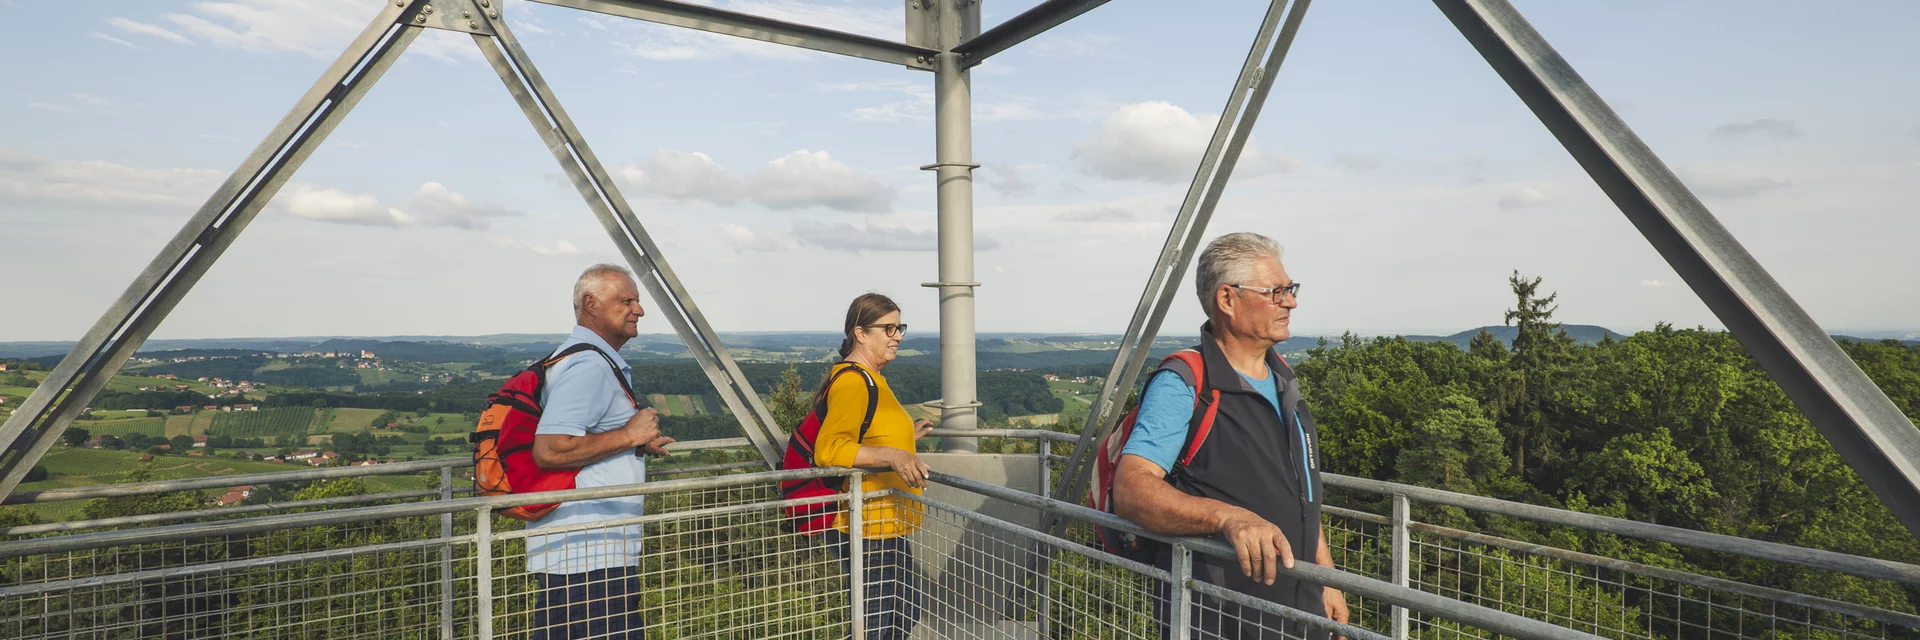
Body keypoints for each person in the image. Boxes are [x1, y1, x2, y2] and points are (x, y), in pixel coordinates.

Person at [1112, 233, 1350, 639]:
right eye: (1275, 291)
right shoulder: (1186, 383)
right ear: (1227, 299)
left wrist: (1325, 580)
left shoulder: (1283, 379)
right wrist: (1229, 518)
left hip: (1299, 604)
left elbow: (1301, 492)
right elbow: (1132, 489)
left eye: (1289, 290)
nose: (1290, 302)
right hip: (1223, 613)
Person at [525, 263, 677, 640]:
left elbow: (584, 433)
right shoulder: (588, 365)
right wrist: (628, 435)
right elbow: (550, 449)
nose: (639, 310)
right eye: (626, 301)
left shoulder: (582, 358)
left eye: (637, 301)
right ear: (591, 304)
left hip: (586, 549)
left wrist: (633, 440)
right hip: (589, 552)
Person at [811, 293, 935, 640]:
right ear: (861, 333)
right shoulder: (854, 381)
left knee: (899, 613)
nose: (897, 335)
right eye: (888, 328)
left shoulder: (872, 377)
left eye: (900, 328)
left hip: (882, 522)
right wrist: (893, 457)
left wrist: (905, 439)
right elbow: (830, 449)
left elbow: (865, 434)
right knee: (882, 623)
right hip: (866, 524)